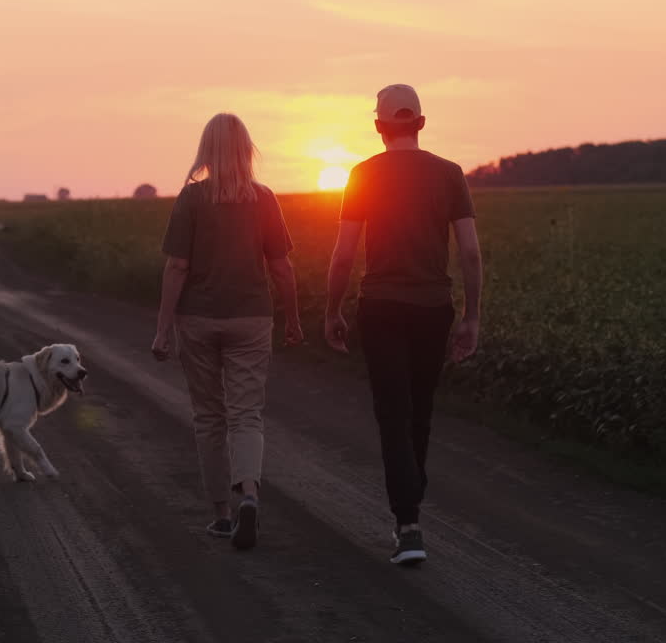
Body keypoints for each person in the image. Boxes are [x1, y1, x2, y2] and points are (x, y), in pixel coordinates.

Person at [323, 84, 483, 566]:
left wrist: (332, 310)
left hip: (382, 307)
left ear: (378, 127)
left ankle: (407, 524)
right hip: (434, 308)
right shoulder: (450, 174)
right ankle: (411, 505)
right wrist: (472, 316)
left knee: (393, 413)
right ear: (421, 123)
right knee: (420, 410)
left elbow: (344, 253)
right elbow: (471, 252)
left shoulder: (362, 175)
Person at [152, 112, 302, 551]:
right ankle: (249, 495)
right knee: (246, 414)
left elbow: (177, 266)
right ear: (245, 150)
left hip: (197, 320)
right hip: (252, 318)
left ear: (206, 151)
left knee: (209, 417)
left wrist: (162, 329)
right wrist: (293, 318)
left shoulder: (191, 199)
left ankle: (221, 514)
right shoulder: (265, 199)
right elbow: (282, 267)